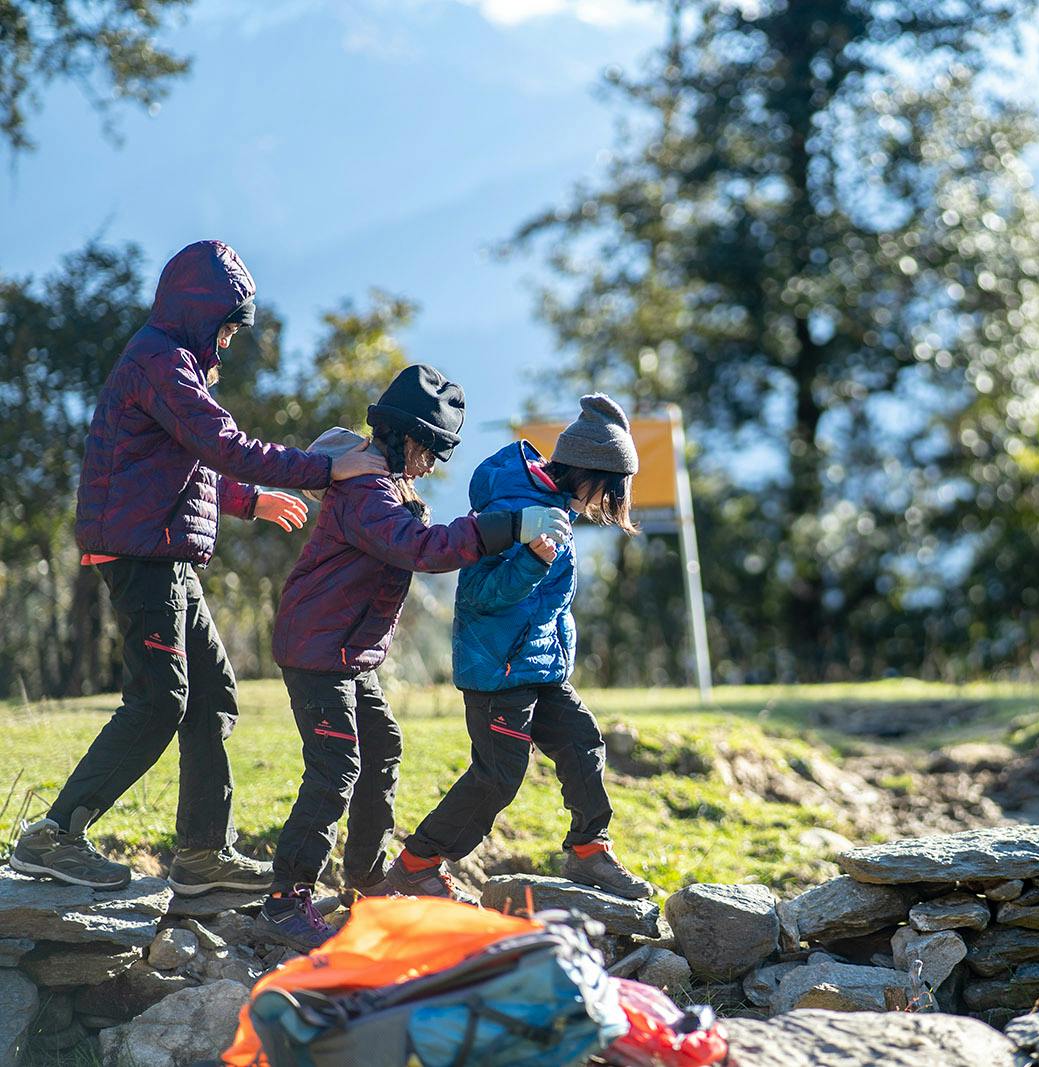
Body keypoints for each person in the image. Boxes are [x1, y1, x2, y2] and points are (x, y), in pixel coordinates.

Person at [10, 240, 387, 894]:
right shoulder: (162, 362)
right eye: (228, 328)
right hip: (143, 555)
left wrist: (250, 500)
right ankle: (55, 835)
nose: (230, 342)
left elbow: (188, 463)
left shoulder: (171, 360)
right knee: (162, 698)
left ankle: (202, 856)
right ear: (201, 312)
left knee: (212, 695)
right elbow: (222, 444)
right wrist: (326, 467)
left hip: (167, 553)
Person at [259, 365, 572, 950]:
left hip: (350, 653)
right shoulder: (365, 490)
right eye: (430, 452)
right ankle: (284, 900)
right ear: (408, 438)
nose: (432, 466)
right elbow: (419, 550)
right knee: (336, 767)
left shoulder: (390, 488)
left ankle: (368, 882)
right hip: (318, 651)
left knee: (383, 747)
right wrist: (504, 526)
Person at [378, 394, 653, 904]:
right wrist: (529, 561)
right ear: (587, 472)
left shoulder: (556, 508)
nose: (606, 505)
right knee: (497, 778)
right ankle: (416, 864)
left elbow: (549, 606)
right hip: (499, 674)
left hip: (541, 668)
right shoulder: (512, 511)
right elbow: (480, 597)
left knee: (582, 742)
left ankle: (590, 850)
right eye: (609, 492)